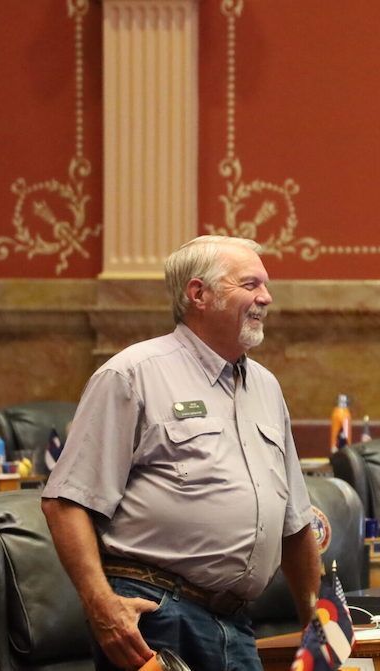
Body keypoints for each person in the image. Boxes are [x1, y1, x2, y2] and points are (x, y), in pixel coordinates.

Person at [42, 236, 320, 671]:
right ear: (198, 294)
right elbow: (65, 502)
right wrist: (101, 606)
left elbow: (295, 523)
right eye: (250, 284)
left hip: (236, 625)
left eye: (265, 285)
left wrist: (315, 628)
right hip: (156, 618)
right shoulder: (132, 374)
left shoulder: (266, 386)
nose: (266, 297)